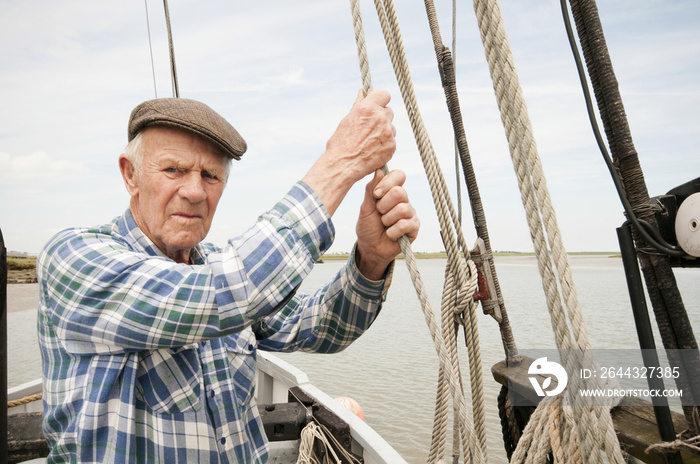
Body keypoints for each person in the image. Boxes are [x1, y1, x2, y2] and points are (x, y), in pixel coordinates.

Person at [37, 90, 419, 463]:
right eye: (173, 169)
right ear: (130, 174)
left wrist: (370, 259)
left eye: (211, 175)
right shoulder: (75, 258)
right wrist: (342, 161)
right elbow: (229, 292)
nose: (194, 191)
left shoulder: (217, 265)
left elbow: (321, 328)